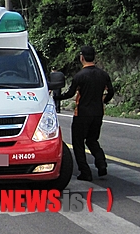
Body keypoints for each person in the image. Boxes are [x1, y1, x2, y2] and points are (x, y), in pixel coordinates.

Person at [54, 46, 114, 181]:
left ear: (82, 58)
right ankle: (101, 163)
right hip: (98, 113)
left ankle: (85, 172)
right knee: (92, 140)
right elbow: (111, 91)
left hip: (82, 114)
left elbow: (70, 93)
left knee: (78, 142)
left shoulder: (80, 76)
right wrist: (104, 101)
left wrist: (55, 98)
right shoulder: (103, 75)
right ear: (94, 57)